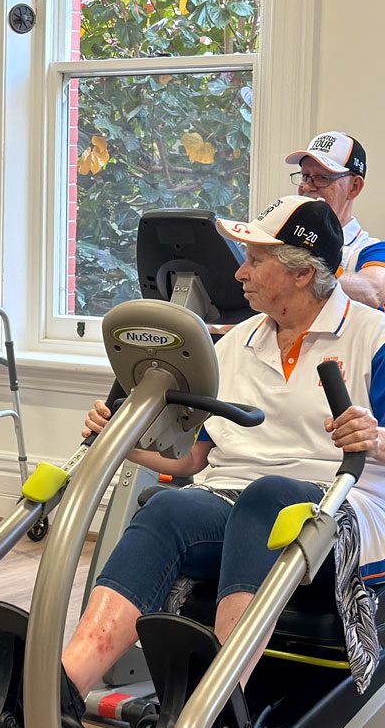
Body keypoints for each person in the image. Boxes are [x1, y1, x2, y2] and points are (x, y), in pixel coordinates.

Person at [63, 195, 385, 700]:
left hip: (340, 507)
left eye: (257, 260)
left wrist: (376, 438)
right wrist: (119, 442)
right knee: (169, 506)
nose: (240, 274)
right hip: (234, 498)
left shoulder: (373, 336)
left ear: (302, 275)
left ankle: (219, 700)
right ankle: (61, 684)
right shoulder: (234, 344)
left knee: (268, 496)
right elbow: (193, 460)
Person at [286, 130, 385, 307]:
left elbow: (373, 291)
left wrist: (299, 269)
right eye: (305, 176)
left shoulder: (372, 249)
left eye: (322, 178)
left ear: (354, 187)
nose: (307, 186)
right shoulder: (285, 239)